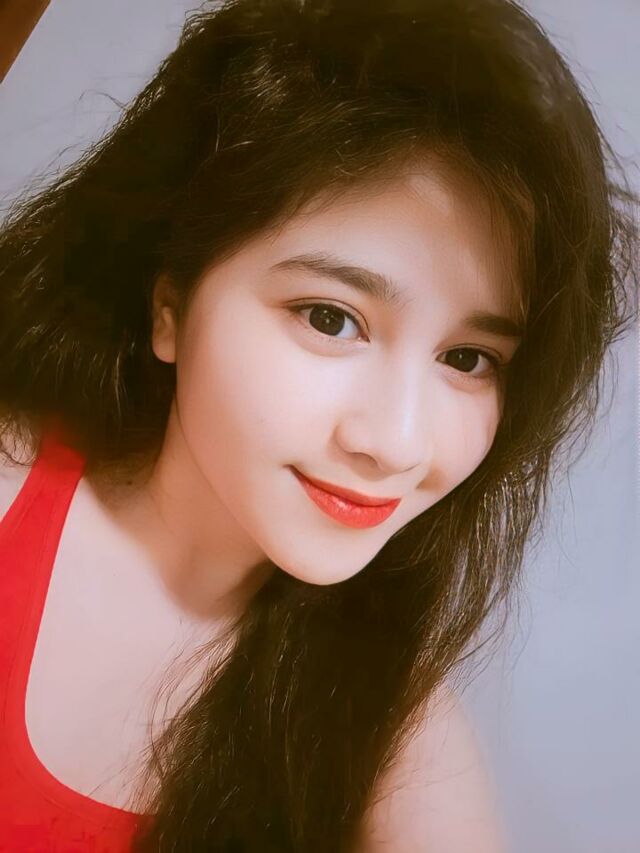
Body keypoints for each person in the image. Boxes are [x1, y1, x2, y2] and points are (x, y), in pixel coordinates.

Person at [0, 0, 636, 850]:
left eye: (468, 358)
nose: (396, 443)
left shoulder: (393, 740)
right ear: (170, 306)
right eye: (331, 318)